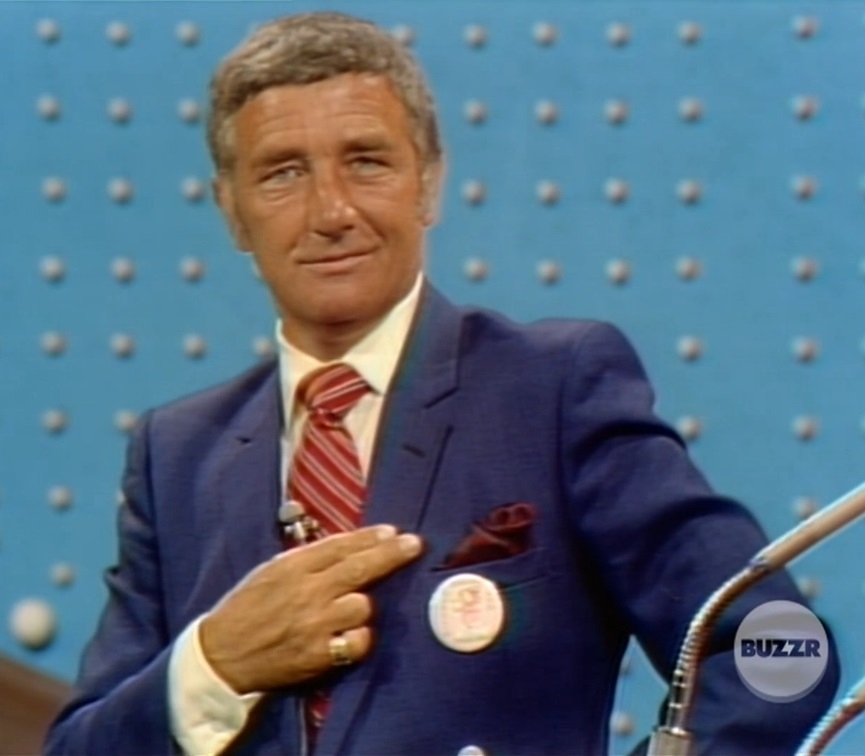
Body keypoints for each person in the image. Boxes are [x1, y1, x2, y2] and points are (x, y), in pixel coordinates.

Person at [46, 11, 838, 756]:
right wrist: (214, 664)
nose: (331, 211)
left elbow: (782, 650)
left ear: (428, 181)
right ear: (230, 210)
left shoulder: (552, 390)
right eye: (282, 174)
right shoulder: (176, 455)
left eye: (366, 161)